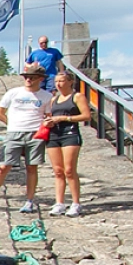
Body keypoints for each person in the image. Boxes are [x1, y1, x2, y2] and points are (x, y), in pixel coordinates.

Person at [0, 63, 53, 212]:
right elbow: (0, 113)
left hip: (35, 134)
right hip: (14, 132)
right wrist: (12, 124)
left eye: (32, 77)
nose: (28, 79)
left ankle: (29, 201)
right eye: (27, 77)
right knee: (3, 166)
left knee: (31, 167)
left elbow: (48, 116)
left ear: (40, 79)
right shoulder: (13, 92)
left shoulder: (47, 96)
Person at [46, 69, 87, 216]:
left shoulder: (77, 96)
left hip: (70, 134)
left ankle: (76, 203)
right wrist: (49, 122)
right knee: (58, 171)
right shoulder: (53, 99)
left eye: (62, 81)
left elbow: (86, 115)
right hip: (54, 135)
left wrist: (65, 118)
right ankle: (59, 203)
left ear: (70, 82)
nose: (58, 84)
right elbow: (50, 115)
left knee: (69, 170)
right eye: (56, 81)